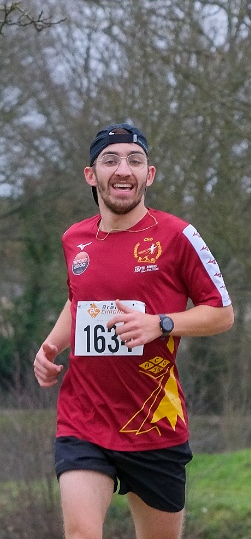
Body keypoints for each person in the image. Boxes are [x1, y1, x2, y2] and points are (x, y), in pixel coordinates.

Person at [33, 123, 234, 539]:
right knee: (81, 533)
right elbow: (78, 300)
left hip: (153, 424)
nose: (123, 169)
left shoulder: (178, 236)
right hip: (84, 419)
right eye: (110, 160)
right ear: (91, 175)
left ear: (149, 174)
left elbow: (222, 313)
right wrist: (51, 345)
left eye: (134, 161)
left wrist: (161, 324)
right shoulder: (75, 239)